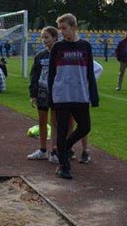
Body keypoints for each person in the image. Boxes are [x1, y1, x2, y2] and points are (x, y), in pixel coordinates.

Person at [48, 13, 99, 180]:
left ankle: (66, 147)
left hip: (80, 95)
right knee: (61, 130)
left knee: (85, 127)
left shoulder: (85, 46)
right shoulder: (57, 47)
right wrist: (51, 97)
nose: (62, 32)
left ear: (74, 27)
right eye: (60, 29)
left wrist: (94, 94)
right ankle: (64, 166)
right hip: (62, 95)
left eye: (64, 28)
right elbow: (52, 74)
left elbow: (90, 72)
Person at [28, 26, 58, 161]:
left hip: (56, 92)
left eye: (47, 37)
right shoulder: (40, 56)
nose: (44, 40)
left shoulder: (59, 54)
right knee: (42, 121)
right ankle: (42, 149)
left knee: (55, 122)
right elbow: (34, 76)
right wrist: (32, 94)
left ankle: (55, 151)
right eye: (42, 38)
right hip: (41, 92)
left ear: (55, 38)